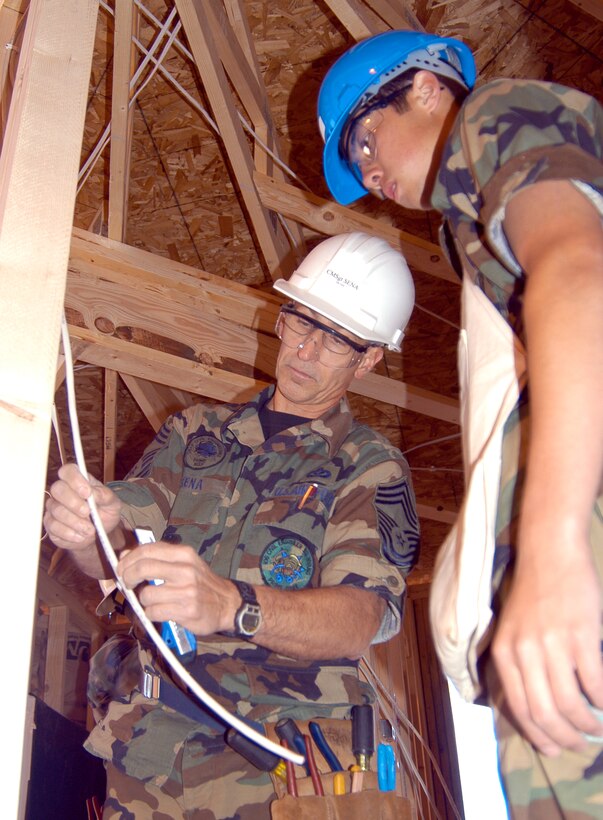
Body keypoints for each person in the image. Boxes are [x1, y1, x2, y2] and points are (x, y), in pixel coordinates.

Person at [318, 29, 603, 818]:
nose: (369, 173)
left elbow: (576, 271)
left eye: (365, 138)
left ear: (426, 88)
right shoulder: (464, 225)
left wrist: (548, 556)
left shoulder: (494, 117)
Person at [44, 231, 420, 819]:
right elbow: (116, 560)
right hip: (154, 754)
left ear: (369, 358)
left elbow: (360, 618)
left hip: (288, 763)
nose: (304, 350)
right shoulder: (194, 432)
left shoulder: (368, 464)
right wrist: (85, 530)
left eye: (335, 340)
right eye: (300, 322)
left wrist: (231, 605)